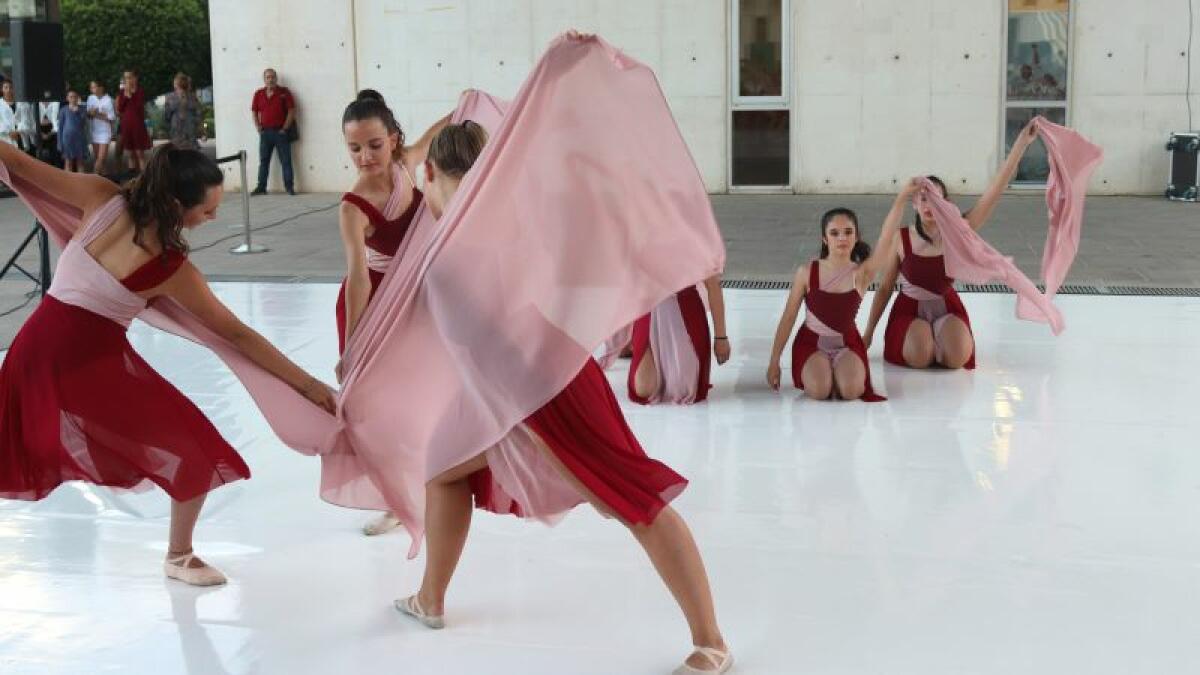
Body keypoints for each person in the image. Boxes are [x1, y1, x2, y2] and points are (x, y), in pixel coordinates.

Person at [391, 122, 732, 675]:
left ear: (428, 173)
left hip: (544, 393)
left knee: (632, 500)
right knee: (441, 470)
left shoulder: (461, 245)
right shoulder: (494, 229)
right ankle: (430, 598)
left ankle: (712, 642)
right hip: (502, 390)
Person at [0, 142, 336, 586]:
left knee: (192, 451)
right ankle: (179, 557)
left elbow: (16, 160)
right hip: (78, 365)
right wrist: (309, 386)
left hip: (43, 350)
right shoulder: (169, 265)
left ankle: (180, 557)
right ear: (177, 204)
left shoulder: (101, 197)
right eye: (208, 210)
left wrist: (307, 383)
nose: (212, 218)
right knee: (194, 451)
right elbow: (237, 333)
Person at [335, 89, 450, 537]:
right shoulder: (352, 206)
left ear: (395, 140)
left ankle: (426, 478)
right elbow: (358, 279)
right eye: (355, 148)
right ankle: (393, 497)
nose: (365, 157)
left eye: (374, 145)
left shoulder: (407, 164)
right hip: (374, 304)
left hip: (417, 296)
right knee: (378, 405)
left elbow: (438, 131)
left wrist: (464, 104)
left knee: (423, 392)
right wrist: (354, 346)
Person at [863, 121, 1040, 369]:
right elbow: (883, 289)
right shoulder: (901, 238)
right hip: (909, 309)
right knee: (920, 355)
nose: (928, 206)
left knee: (956, 359)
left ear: (946, 203)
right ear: (914, 203)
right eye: (923, 199)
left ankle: (939, 337)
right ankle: (925, 337)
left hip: (946, 307)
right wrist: (868, 333)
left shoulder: (959, 231)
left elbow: (994, 191)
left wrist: (1021, 144)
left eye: (935, 199)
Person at [765, 187, 911, 400]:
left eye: (848, 232)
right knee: (819, 391)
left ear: (856, 236)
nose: (842, 238)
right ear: (825, 239)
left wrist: (901, 198)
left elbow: (887, 237)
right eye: (834, 233)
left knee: (851, 391)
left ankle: (837, 372)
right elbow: (788, 317)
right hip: (811, 342)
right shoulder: (806, 273)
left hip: (847, 343)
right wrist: (774, 361)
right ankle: (824, 372)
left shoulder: (862, 273)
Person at [626, 277, 730, 405]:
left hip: (686, 314)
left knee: (682, 390)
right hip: (648, 312)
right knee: (644, 390)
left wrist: (721, 337)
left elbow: (713, 286)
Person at [250, 68, 296, 195]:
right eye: (267, 77)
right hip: (265, 133)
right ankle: (261, 187)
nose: (270, 79)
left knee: (286, 161)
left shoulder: (284, 92)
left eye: (272, 77)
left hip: (280, 133)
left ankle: (289, 187)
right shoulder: (258, 94)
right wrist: (258, 127)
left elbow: (291, 110)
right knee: (264, 161)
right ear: (264, 79)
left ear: (276, 78)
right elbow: (254, 112)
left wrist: (284, 129)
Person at [116, 70, 152, 172]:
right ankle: (132, 178)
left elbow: (139, 107)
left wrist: (131, 95)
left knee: (139, 153)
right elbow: (120, 108)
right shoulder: (122, 92)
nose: (128, 80)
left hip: (137, 125)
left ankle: (144, 177)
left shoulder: (140, 91)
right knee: (130, 153)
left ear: (135, 78)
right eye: (126, 78)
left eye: (130, 77)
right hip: (126, 125)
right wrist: (125, 97)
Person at [164, 72, 203, 150]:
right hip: (190, 128)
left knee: (177, 152)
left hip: (176, 129)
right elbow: (199, 114)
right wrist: (197, 125)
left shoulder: (170, 97)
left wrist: (168, 127)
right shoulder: (193, 97)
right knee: (191, 153)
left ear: (176, 84)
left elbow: (166, 116)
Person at [86, 80, 115, 175]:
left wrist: (97, 114)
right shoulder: (90, 98)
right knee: (100, 160)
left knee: (101, 159)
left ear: (101, 88)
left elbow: (111, 117)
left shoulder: (108, 99)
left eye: (94, 87)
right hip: (94, 131)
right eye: (91, 87)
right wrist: (93, 113)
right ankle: (106, 180)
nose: (92, 89)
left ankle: (92, 180)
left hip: (105, 132)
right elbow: (88, 114)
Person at [57, 89, 89, 173]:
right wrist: (59, 143)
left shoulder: (82, 109)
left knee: (80, 162)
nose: (73, 99)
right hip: (67, 139)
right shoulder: (63, 110)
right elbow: (60, 127)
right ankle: (68, 183)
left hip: (79, 139)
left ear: (78, 98)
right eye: (71, 97)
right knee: (68, 163)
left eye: (75, 97)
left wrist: (78, 112)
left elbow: (83, 124)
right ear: (67, 98)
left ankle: (81, 182)